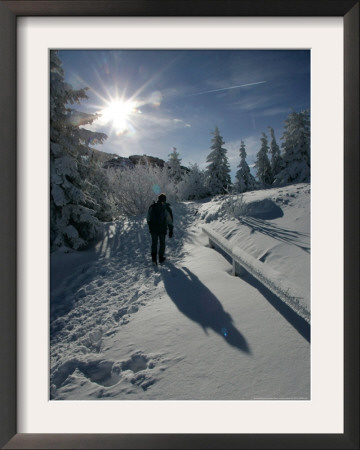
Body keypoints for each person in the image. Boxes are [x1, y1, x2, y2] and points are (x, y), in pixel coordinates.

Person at [147, 193, 173, 265]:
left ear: (158, 199)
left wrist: (151, 226)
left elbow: (148, 218)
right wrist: (171, 230)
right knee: (162, 243)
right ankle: (161, 258)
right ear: (165, 199)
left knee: (154, 243)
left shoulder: (152, 206)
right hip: (162, 228)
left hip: (153, 229)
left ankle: (154, 259)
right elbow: (169, 220)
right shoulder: (166, 208)